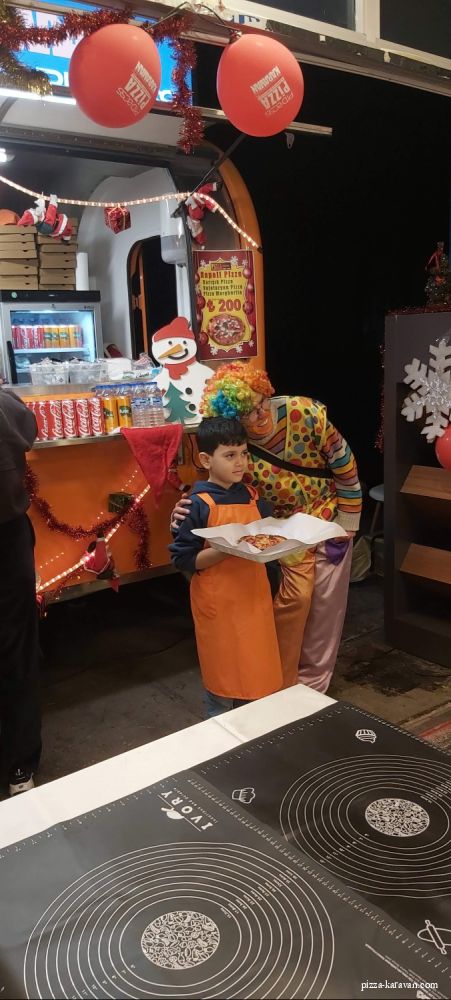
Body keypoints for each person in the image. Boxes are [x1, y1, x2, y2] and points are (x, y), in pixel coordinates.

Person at [171, 362, 362, 694]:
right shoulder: (237, 444)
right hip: (282, 530)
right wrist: (184, 509)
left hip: (328, 519)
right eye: (248, 412)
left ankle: (314, 687)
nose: (260, 415)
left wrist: (348, 521)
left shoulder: (306, 413)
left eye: (262, 402)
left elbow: (345, 466)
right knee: (293, 603)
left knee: (325, 611)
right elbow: (218, 485)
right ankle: (282, 688)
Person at [169, 416, 283, 717]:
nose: (240, 462)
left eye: (244, 453)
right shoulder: (196, 504)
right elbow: (184, 559)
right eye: (230, 455)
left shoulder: (252, 497)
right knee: (223, 682)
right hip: (219, 604)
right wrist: (226, 550)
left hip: (253, 599)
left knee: (256, 675)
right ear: (206, 459)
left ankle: (255, 735)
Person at [0, 387, 41, 795]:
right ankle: (19, 767)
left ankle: (18, 764)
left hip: (8, 536)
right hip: (8, 535)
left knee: (16, 648)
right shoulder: (7, 403)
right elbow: (28, 430)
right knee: (16, 650)